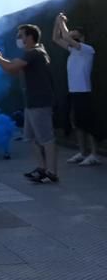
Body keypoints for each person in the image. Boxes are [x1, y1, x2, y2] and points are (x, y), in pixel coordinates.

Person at [0, 24, 58, 183]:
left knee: (46, 138)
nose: (18, 39)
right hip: (32, 102)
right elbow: (11, 69)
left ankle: (51, 172)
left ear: (30, 37)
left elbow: (11, 66)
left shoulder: (34, 53)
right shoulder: (32, 53)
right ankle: (41, 169)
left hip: (40, 102)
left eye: (21, 35)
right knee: (31, 137)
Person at [53, 13, 100, 166]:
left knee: (89, 124)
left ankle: (94, 154)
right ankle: (82, 152)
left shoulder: (87, 49)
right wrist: (56, 22)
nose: (70, 33)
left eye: (74, 33)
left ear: (81, 36)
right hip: (73, 92)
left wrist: (61, 22)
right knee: (77, 124)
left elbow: (65, 37)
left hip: (84, 92)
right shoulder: (73, 50)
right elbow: (56, 38)